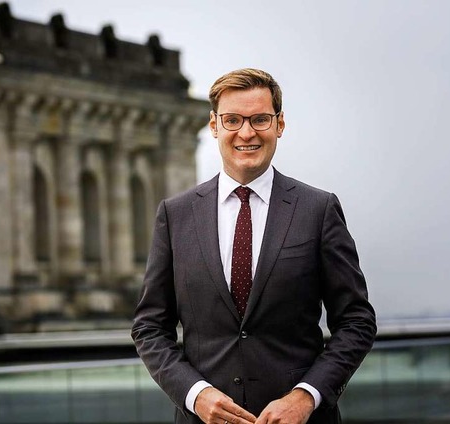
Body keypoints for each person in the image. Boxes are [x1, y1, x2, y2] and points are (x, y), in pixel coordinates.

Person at [131, 68, 376, 424]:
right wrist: (195, 394)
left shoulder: (318, 210)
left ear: (279, 124)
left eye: (260, 119)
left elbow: (357, 321)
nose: (246, 133)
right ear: (214, 126)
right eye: (233, 120)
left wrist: (306, 396)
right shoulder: (176, 214)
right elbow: (150, 327)